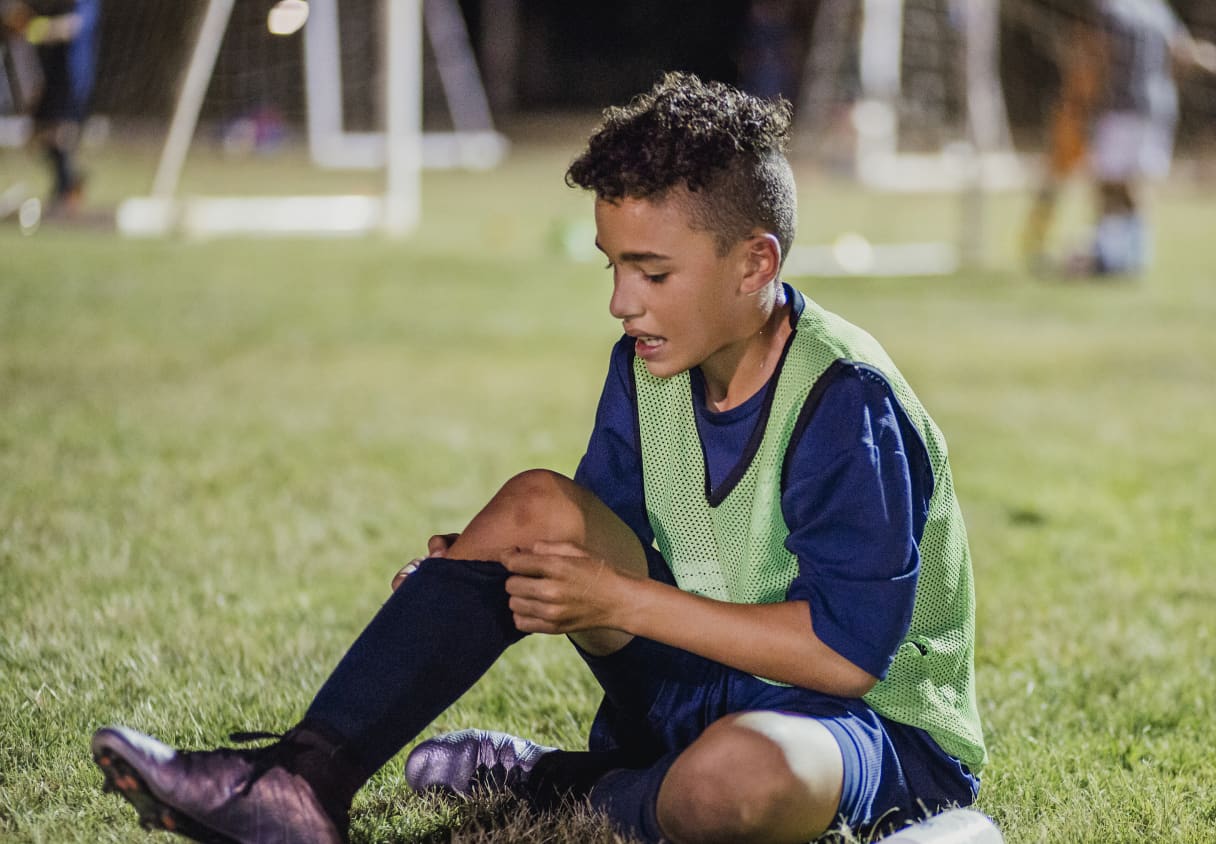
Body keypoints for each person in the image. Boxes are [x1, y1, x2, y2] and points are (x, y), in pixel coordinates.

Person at [91, 72, 986, 844]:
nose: (621, 302)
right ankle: (300, 782)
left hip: (864, 732)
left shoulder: (846, 399)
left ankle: (551, 785)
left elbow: (845, 656)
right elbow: (594, 533)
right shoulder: (653, 363)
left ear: (755, 264)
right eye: (612, 267)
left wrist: (619, 598)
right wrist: (473, 586)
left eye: (653, 273)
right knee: (534, 507)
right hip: (709, 681)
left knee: (731, 787)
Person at [1068, 0, 1216, 278]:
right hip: (1159, 106)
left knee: (1109, 183)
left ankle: (1108, 255)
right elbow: (1182, 53)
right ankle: (1136, 255)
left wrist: (1085, 101)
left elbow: (1099, 53)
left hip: (1121, 105)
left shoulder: (1112, 9)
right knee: (1137, 183)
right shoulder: (1158, 10)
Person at [1019, 7, 1107, 272]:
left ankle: (1100, 247)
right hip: (1075, 120)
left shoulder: (1103, 37)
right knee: (1054, 186)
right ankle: (1034, 244)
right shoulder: (1086, 38)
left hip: (1090, 121)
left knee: (1101, 192)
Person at [0, 0, 98, 217]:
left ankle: (66, 191)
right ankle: (69, 182)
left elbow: (73, 26)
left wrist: (34, 29)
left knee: (60, 132)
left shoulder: (85, 3)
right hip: (51, 77)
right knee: (38, 134)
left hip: (72, 77)